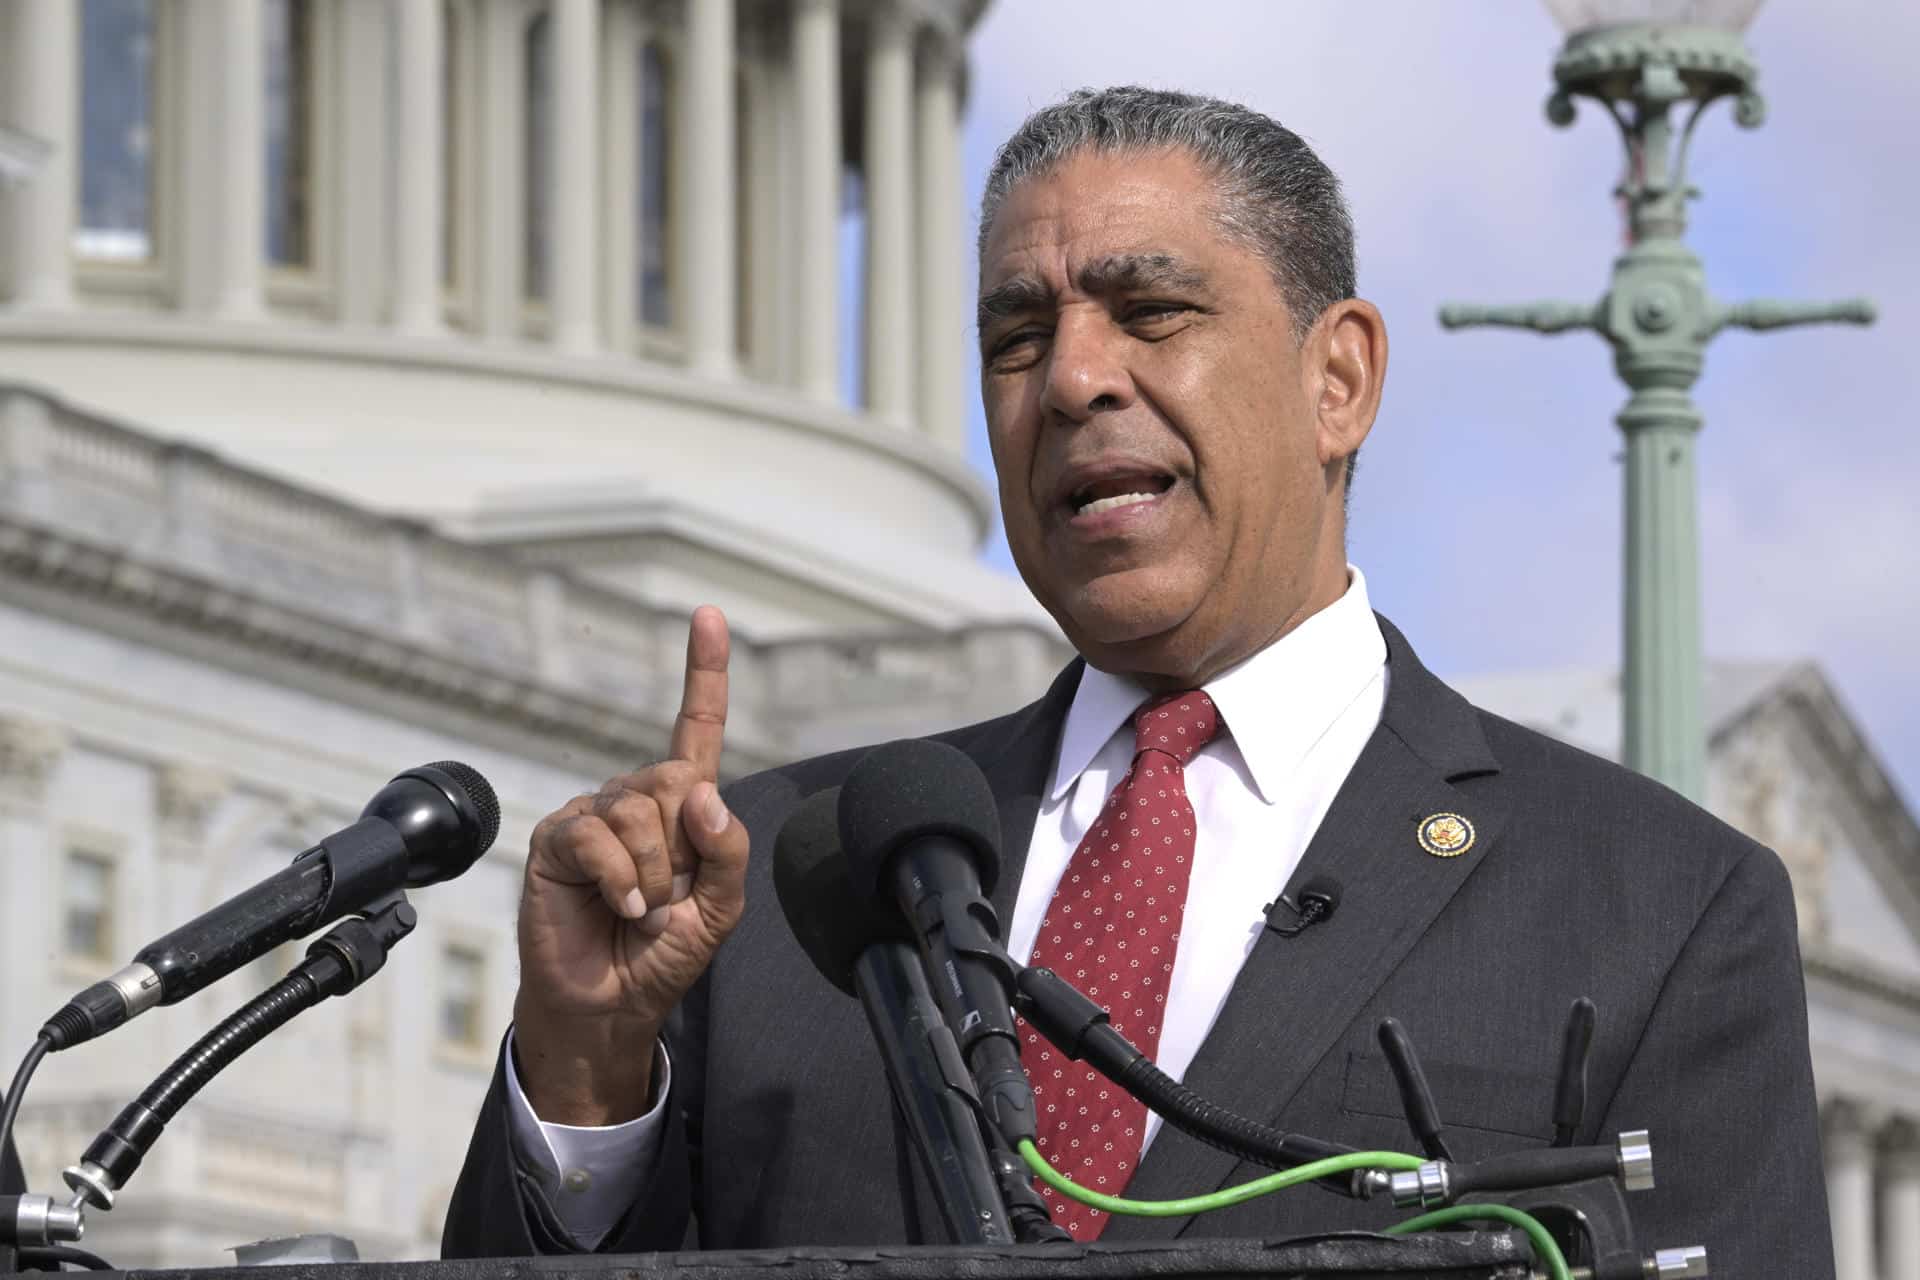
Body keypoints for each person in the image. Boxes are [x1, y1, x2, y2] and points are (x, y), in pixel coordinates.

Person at [443, 87, 1831, 1275]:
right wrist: (582, 1071)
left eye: (1151, 311)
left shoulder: (1657, 907)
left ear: (1337, 378)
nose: (1071, 380)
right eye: (1015, 336)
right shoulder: (786, 882)